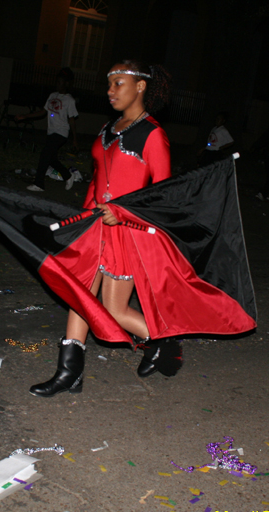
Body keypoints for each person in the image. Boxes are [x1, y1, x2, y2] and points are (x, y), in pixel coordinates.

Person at [29, 60, 181, 397]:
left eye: (118, 83)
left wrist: (125, 214)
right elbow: (97, 181)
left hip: (126, 233)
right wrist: (81, 221)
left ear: (140, 87)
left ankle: (165, 345)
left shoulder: (153, 134)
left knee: (114, 310)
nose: (110, 91)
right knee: (78, 293)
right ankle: (69, 372)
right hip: (94, 227)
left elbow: (163, 197)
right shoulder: (109, 128)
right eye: (109, 83)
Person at [16, 68, 81, 192]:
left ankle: (39, 184)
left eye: (60, 82)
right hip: (51, 132)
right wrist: (25, 116)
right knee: (51, 159)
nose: (57, 84)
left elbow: (72, 120)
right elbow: (42, 112)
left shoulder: (69, 100)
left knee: (45, 155)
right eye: (57, 81)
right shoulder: (52, 96)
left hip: (61, 133)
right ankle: (68, 175)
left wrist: (75, 140)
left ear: (66, 84)